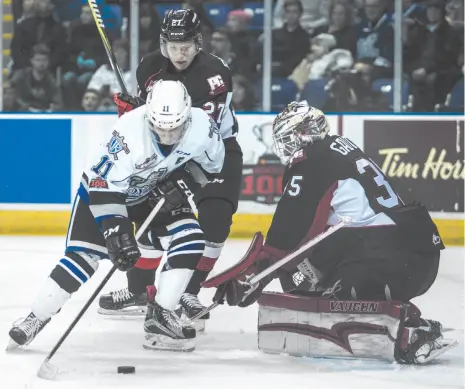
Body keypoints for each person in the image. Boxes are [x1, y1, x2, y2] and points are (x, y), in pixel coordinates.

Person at [204, 101, 456, 364]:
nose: (287, 148)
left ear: (301, 135)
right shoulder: (340, 148)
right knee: (309, 265)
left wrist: (254, 277)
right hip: (415, 256)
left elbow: (288, 235)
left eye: (288, 139)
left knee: (302, 274)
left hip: (386, 260)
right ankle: (402, 320)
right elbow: (318, 232)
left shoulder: (312, 160)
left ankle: (409, 330)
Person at [8, 80, 225, 352]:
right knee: (83, 260)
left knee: (191, 240)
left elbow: (212, 167)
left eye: (175, 129)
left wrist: (184, 182)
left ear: (188, 114)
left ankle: (161, 316)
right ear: (148, 116)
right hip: (106, 194)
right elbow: (101, 185)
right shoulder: (127, 133)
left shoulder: (204, 126)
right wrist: (116, 231)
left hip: (154, 194)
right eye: (160, 129)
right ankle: (35, 318)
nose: (167, 137)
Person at [105, 9, 243, 329]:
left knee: (215, 221)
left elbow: (199, 128)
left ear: (198, 42)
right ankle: (140, 291)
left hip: (213, 150)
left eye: (186, 46)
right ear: (163, 44)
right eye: (173, 46)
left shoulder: (215, 74)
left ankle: (187, 292)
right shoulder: (149, 67)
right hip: (166, 148)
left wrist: (143, 111)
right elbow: (150, 123)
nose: (179, 53)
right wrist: (132, 114)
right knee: (151, 217)